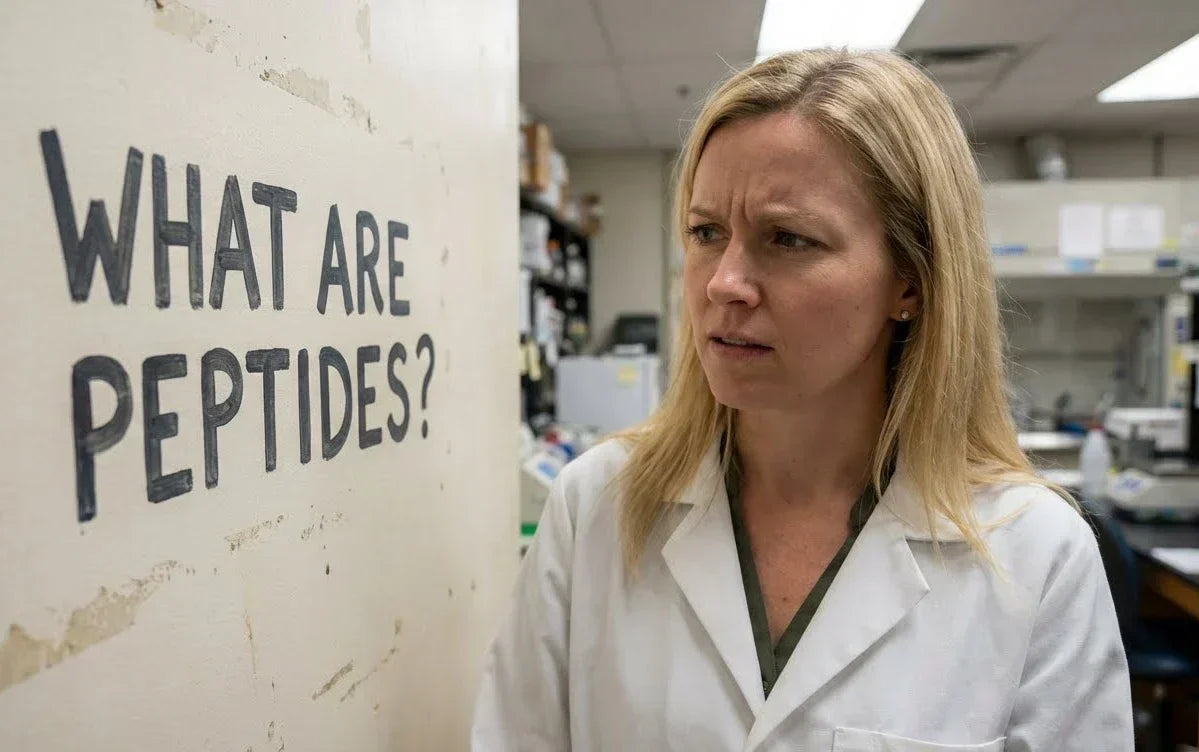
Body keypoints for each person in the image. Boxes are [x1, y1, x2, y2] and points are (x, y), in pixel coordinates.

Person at [473, 49, 1133, 751]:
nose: (723, 282)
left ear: (909, 281)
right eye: (705, 233)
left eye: (787, 239)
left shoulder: (1035, 556)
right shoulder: (595, 508)